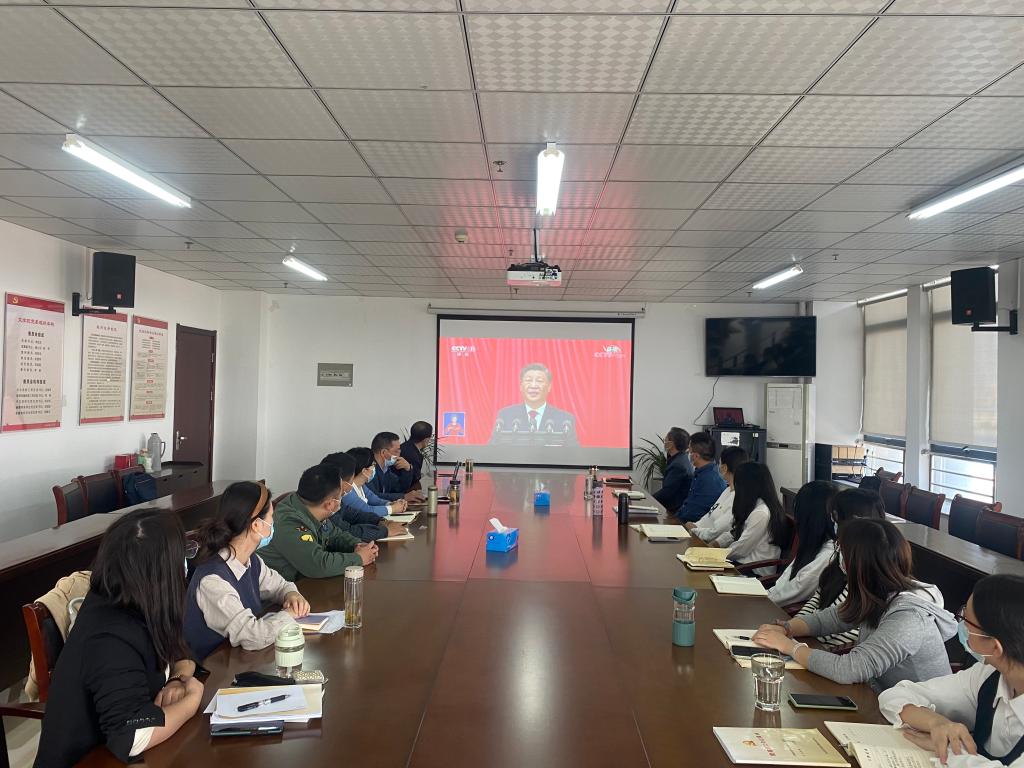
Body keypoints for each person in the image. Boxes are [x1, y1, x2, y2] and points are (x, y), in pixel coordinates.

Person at [34, 510, 203, 766]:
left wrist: (177, 680)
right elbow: (132, 736)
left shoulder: (142, 602)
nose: (186, 564)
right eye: (183, 554)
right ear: (162, 572)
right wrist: (191, 701)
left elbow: (180, 651)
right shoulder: (109, 636)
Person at [752, 518, 957, 692]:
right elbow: (832, 619)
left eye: (841, 550)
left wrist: (789, 646)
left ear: (858, 562)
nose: (838, 556)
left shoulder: (909, 617)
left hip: (924, 716)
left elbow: (850, 669)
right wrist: (787, 628)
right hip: (884, 700)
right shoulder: (878, 593)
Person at [877, 575, 1024, 768]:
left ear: (995, 647)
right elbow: (895, 695)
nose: (961, 625)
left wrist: (949, 750)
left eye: (966, 620)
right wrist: (936, 723)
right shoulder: (987, 676)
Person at [184, 481, 311, 660]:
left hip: (243, 660)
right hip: (213, 670)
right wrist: (289, 615)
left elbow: (279, 586)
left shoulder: (250, 560)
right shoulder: (212, 581)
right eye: (271, 517)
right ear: (256, 525)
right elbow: (253, 636)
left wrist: (291, 595)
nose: (273, 522)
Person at [794, 488, 886, 645]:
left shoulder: (868, 574)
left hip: (826, 650)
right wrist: (792, 628)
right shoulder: (840, 557)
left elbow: (842, 627)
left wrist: (796, 644)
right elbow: (817, 599)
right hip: (807, 643)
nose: (833, 521)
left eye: (835, 516)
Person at [259, 463, 378, 582]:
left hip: (305, 583)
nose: (342, 499)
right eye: (341, 495)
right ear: (330, 504)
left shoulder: (311, 508)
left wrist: (358, 545)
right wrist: (359, 558)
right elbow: (317, 564)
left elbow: (335, 535)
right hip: (281, 589)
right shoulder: (288, 522)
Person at [766, 481, 839, 606]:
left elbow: (790, 594)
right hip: (772, 605)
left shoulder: (828, 555)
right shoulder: (813, 545)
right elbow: (782, 585)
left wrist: (758, 600)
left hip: (783, 613)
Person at [321, 451, 406, 541]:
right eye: (351, 481)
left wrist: (380, 521)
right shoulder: (327, 504)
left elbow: (355, 515)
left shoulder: (336, 499)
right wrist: (385, 531)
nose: (352, 485)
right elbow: (348, 531)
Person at [721, 462, 788, 577]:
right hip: (744, 565)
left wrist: (715, 555)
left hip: (754, 571)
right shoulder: (755, 506)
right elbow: (735, 532)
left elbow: (742, 549)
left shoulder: (761, 513)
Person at [491, 363, 578, 446]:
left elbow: (575, 453)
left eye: (539, 381)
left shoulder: (565, 420)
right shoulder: (506, 416)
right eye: (528, 380)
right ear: (521, 386)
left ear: (549, 387)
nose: (533, 385)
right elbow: (491, 450)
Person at [687, 445, 749, 542]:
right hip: (701, 535)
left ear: (724, 468)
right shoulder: (727, 490)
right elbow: (710, 514)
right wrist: (696, 525)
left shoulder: (739, 497)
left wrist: (695, 531)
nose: (717, 466)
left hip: (710, 543)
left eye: (719, 463)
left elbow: (718, 531)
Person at [675, 431, 727, 524]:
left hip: (694, 527)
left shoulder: (709, 480)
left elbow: (694, 513)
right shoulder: (703, 472)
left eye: (689, 451)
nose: (687, 453)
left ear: (696, 456)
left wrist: (674, 521)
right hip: (685, 521)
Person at [368, 431, 424, 503]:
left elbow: (399, 488)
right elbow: (373, 497)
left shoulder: (386, 469)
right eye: (396, 451)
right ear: (383, 452)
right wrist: (403, 497)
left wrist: (407, 469)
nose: (399, 454)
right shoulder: (368, 469)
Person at [652, 427, 692, 515]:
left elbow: (667, 492)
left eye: (665, 440)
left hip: (673, 512)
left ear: (671, 444)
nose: (664, 442)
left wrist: (649, 500)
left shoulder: (678, 465)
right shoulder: (681, 459)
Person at [396, 421, 433, 492]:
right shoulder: (412, 455)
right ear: (426, 440)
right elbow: (414, 480)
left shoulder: (405, 446)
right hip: (404, 493)